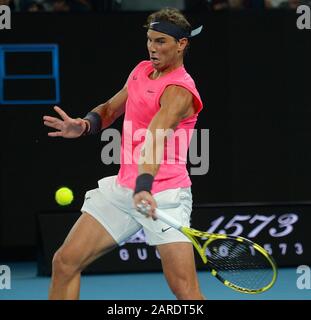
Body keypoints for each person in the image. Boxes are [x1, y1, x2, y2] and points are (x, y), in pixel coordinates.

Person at [43, 7, 204, 300]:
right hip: (123, 190)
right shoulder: (141, 70)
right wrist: (84, 125)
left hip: (163, 196)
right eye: (150, 40)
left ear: (181, 44)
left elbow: (154, 139)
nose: (152, 48)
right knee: (65, 262)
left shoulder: (180, 91)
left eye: (161, 42)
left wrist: (144, 186)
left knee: (186, 292)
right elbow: (109, 109)